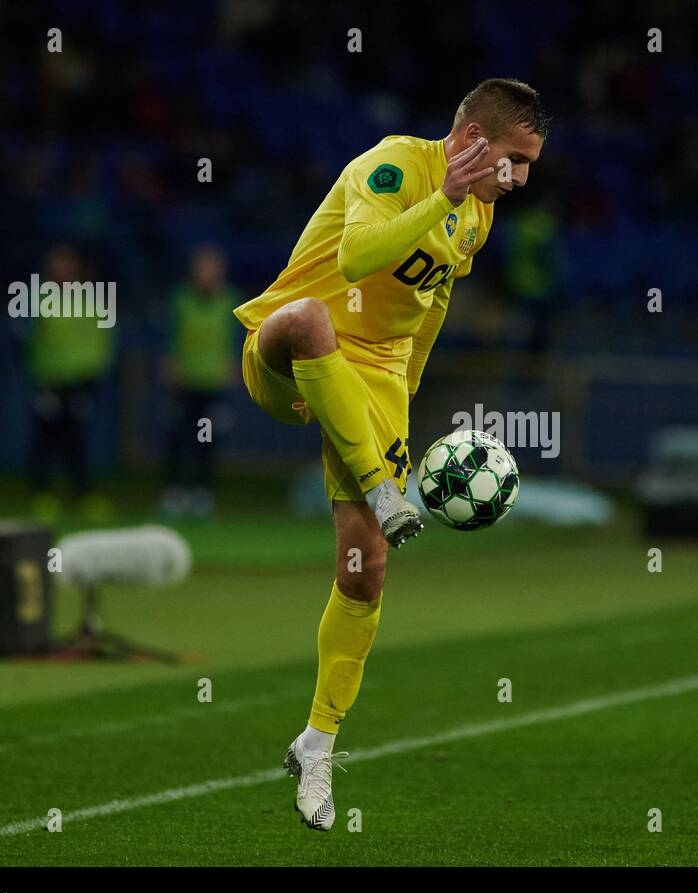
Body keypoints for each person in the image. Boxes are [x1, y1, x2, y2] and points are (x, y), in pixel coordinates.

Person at [233, 79, 547, 830]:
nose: (521, 178)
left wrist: (404, 396)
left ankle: (317, 742)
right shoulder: (393, 167)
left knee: (365, 571)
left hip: (375, 379)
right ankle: (380, 486)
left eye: (530, 164)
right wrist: (440, 199)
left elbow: (433, 301)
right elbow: (354, 258)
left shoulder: (480, 216)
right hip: (287, 349)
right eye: (513, 159)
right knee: (308, 316)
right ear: (471, 137)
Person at [25, 243, 115, 523]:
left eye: (67, 263)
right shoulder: (36, 297)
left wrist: (92, 383)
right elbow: (28, 340)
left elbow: (102, 342)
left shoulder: (90, 299)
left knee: (78, 440)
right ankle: (43, 494)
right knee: (45, 439)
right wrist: (38, 382)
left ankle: (85, 495)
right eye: (57, 263)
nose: (62, 269)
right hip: (49, 381)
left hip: (81, 382)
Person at [160, 245, 240, 519]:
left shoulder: (230, 300)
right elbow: (169, 334)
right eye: (201, 268)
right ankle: (174, 492)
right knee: (177, 437)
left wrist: (233, 365)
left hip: (213, 385)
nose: (206, 273)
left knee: (206, 440)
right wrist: (170, 361)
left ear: (220, 271)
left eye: (211, 268)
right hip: (184, 383)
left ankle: (202, 494)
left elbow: (236, 337)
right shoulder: (180, 299)